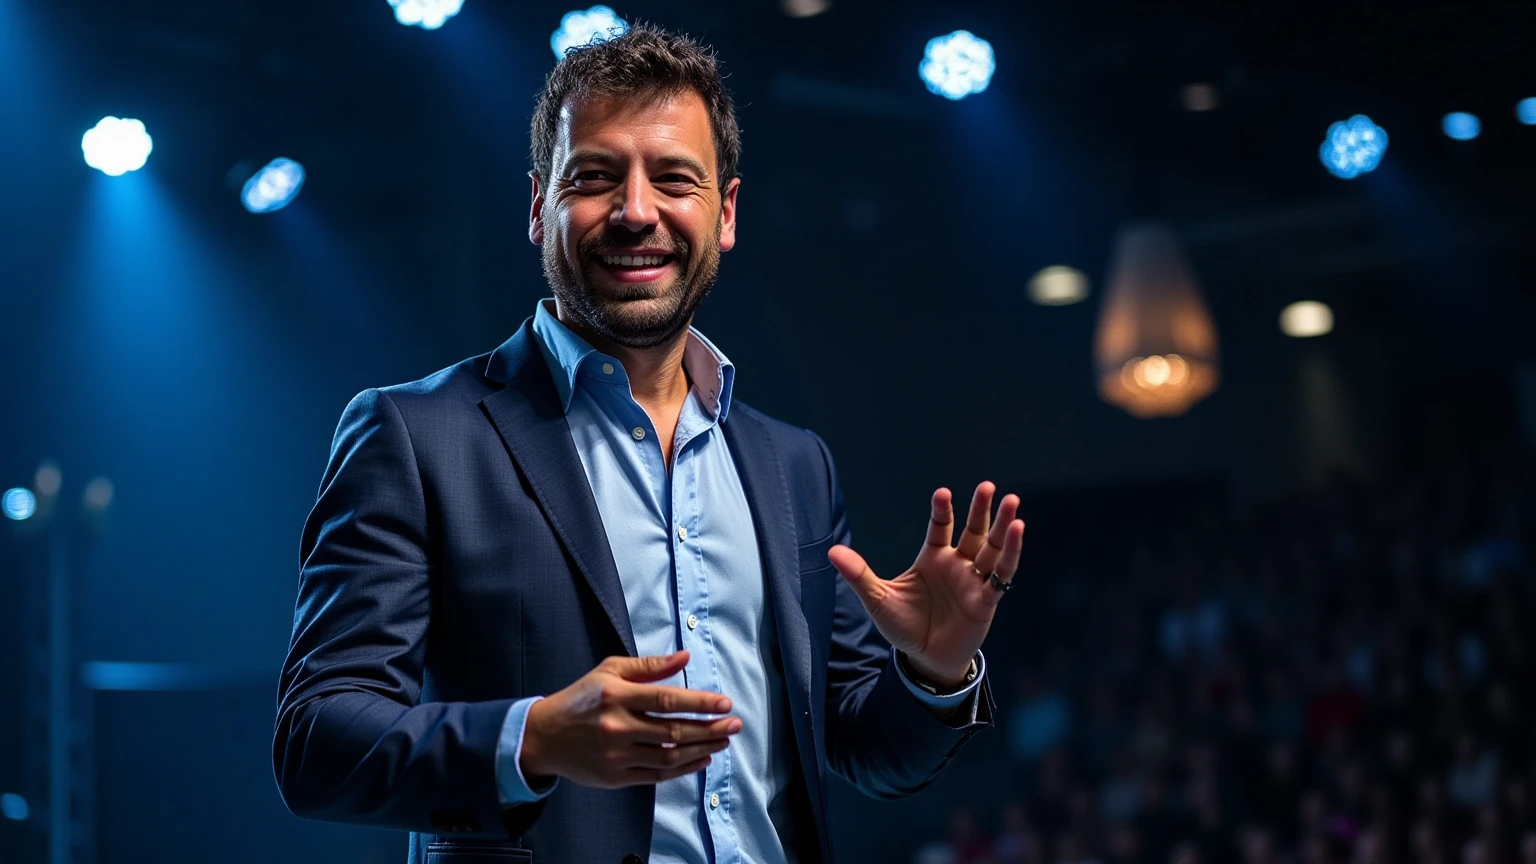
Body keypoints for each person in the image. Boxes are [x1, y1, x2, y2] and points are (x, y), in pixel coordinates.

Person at [272, 23, 1026, 864]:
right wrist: (534, 739)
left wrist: (933, 673)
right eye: (595, 177)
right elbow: (317, 742)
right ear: (537, 206)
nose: (637, 212)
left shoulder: (793, 465)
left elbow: (864, 751)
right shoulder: (415, 436)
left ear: (725, 213)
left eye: (674, 179)